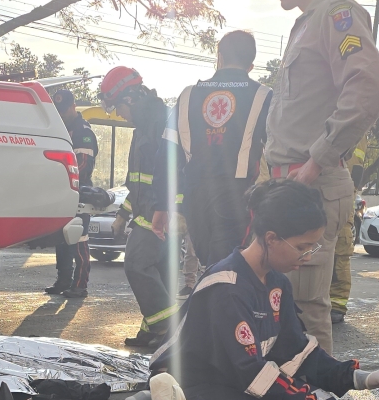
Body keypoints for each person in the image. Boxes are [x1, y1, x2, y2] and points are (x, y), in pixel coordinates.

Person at [150, 180, 379, 400]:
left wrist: (363, 378)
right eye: (303, 246)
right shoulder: (227, 288)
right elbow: (251, 373)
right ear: (271, 238)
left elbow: (297, 352)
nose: (308, 257)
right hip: (191, 385)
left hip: (231, 380)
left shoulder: (277, 283)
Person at [252, 0, 379, 355]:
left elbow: (369, 90)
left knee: (306, 308)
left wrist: (315, 163)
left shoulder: (337, 14)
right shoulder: (307, 23)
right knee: (276, 304)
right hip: (285, 184)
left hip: (309, 184)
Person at [160, 30, 272, 268]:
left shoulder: (188, 95)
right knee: (227, 267)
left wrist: (166, 204)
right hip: (237, 195)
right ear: (251, 65)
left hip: (195, 196)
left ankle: (207, 302)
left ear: (219, 56)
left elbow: (166, 155)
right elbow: (275, 152)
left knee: (210, 266)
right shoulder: (263, 96)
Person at [99, 66, 182, 348]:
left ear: (131, 99)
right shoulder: (144, 126)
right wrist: (123, 214)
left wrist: (170, 211)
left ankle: (169, 328)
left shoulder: (162, 124)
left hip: (159, 215)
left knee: (136, 265)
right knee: (159, 275)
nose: (118, 114)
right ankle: (153, 328)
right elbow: (136, 181)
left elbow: (171, 174)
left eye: (118, 106)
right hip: (148, 212)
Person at [46, 88, 99, 299]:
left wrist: (66, 181)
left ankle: (80, 284)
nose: (60, 115)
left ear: (73, 107)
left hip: (79, 192)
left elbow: (83, 166)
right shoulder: (59, 129)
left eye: (63, 110)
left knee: (79, 238)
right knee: (62, 238)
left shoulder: (83, 131)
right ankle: (63, 280)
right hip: (63, 191)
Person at [329, 135, 368, 323]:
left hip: (340, 195)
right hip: (335, 192)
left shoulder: (353, 126)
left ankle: (336, 305)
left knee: (339, 254)